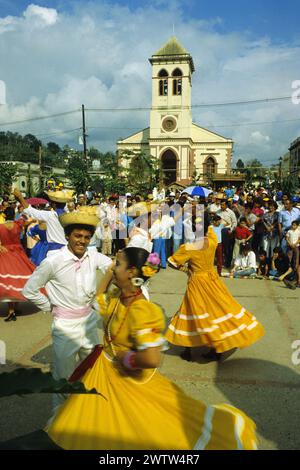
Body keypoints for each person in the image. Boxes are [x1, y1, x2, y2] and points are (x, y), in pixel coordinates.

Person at [45, 247, 258, 450]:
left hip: (129, 378)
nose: (112, 267)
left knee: (146, 429)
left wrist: (125, 359)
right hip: (104, 373)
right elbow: (96, 299)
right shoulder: (116, 299)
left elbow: (151, 359)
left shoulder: (144, 311)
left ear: (131, 272)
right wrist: (110, 273)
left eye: (117, 264)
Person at [22, 210, 112, 411]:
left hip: (89, 322)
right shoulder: (53, 261)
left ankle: (86, 413)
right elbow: (30, 290)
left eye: (87, 237)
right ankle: (59, 422)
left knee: (93, 369)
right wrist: (52, 307)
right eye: (77, 236)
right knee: (64, 377)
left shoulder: (93, 256)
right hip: (65, 327)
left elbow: (112, 267)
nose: (82, 241)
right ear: (67, 236)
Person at [165, 213, 264, 362]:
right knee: (217, 310)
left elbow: (171, 262)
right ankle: (216, 348)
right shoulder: (212, 240)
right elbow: (210, 227)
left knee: (192, 311)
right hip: (212, 280)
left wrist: (187, 270)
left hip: (197, 281)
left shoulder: (189, 247)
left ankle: (188, 349)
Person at [0, 206, 35, 321]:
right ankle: (15, 307)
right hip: (18, 253)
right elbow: (28, 218)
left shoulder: (0, 227)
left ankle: (11, 311)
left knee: (9, 280)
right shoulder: (18, 224)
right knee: (19, 279)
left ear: (4, 215)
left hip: (5, 253)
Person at [13, 188, 72, 254]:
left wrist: (20, 197)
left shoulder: (50, 215)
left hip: (54, 250)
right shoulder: (69, 216)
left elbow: (31, 211)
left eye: (51, 202)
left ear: (54, 204)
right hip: (67, 249)